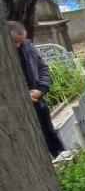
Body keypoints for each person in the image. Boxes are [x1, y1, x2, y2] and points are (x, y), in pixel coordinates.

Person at [7, 21, 64, 158]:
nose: (18, 45)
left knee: (49, 132)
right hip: (16, 106)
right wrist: (21, 95)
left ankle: (61, 157)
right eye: (15, 42)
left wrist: (41, 89)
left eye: (21, 41)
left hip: (38, 100)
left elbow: (42, 68)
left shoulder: (27, 46)